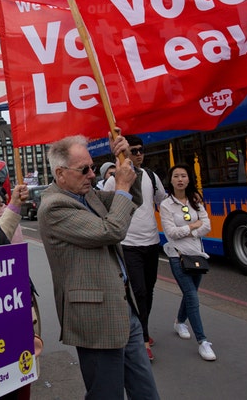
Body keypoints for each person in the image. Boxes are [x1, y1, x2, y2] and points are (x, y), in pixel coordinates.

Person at [39, 134, 159, 400]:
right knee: (107, 393)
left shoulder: (87, 194)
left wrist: (125, 161)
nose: (92, 175)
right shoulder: (54, 206)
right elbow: (112, 229)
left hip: (123, 306)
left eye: (93, 167)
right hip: (95, 318)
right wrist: (122, 187)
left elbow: (131, 202)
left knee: (146, 391)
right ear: (60, 173)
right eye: (84, 169)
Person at [102, 135, 167, 361]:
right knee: (137, 291)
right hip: (128, 245)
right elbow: (105, 206)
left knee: (148, 290)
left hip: (151, 243)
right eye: (134, 151)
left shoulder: (151, 176)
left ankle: (142, 328)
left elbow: (163, 202)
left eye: (141, 150)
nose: (139, 154)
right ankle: (142, 338)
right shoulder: (114, 180)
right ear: (125, 153)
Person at [160, 163, 215, 361]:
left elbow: (207, 226)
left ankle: (179, 321)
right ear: (171, 180)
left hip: (197, 255)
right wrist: (193, 226)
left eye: (183, 175)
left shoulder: (195, 200)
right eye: (176, 176)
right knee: (192, 296)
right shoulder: (166, 205)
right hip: (178, 256)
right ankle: (203, 341)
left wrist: (190, 229)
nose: (180, 179)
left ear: (189, 179)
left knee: (190, 293)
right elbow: (171, 233)